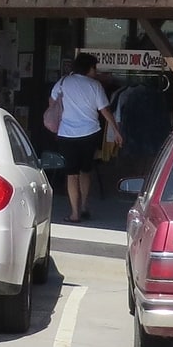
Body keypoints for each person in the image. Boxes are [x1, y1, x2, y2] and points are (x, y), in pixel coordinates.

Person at [50, 53, 118, 223]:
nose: (96, 71)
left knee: (71, 174)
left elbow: (51, 102)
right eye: (94, 68)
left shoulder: (64, 82)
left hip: (66, 134)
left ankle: (74, 213)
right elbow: (104, 110)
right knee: (85, 171)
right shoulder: (95, 86)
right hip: (90, 133)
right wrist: (116, 130)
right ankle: (85, 206)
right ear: (89, 68)